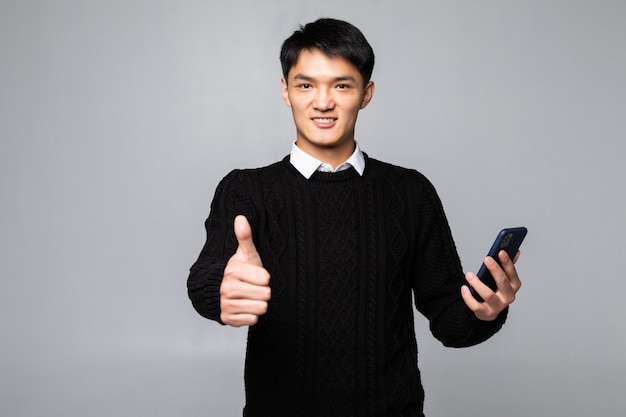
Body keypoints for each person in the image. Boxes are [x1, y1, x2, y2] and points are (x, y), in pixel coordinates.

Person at [187, 17, 521, 417]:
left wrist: (488, 309)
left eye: (342, 85)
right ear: (285, 91)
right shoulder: (247, 189)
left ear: (366, 94)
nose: (323, 102)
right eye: (305, 85)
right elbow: (206, 277)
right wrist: (221, 291)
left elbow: (450, 321)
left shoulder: (410, 192)